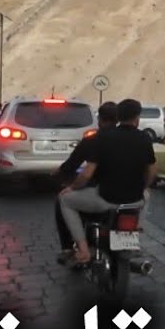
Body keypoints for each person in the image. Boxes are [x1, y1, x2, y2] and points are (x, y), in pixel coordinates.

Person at [58, 98, 156, 266]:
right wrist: (143, 186)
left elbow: (87, 173)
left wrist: (73, 187)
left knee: (65, 200)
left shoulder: (102, 138)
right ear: (137, 118)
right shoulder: (145, 138)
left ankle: (82, 249)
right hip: (134, 201)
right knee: (147, 194)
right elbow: (152, 171)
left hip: (105, 200)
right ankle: (135, 238)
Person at [54, 102, 118, 260]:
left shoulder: (93, 140)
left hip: (100, 195)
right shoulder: (130, 139)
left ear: (100, 119)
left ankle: (70, 248)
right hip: (129, 197)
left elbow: (79, 169)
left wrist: (70, 184)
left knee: (63, 200)